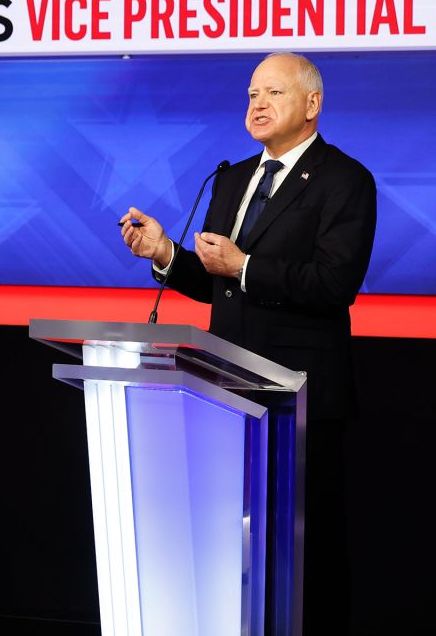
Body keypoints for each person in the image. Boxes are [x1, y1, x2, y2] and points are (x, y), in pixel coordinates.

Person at [119, 52, 376, 629]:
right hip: (225, 392)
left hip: (299, 398)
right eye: (252, 94)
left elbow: (335, 284)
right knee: (238, 548)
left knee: (308, 556)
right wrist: (167, 255)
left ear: (312, 105)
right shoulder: (233, 177)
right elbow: (223, 288)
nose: (257, 105)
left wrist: (244, 265)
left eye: (273, 93)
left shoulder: (344, 180)